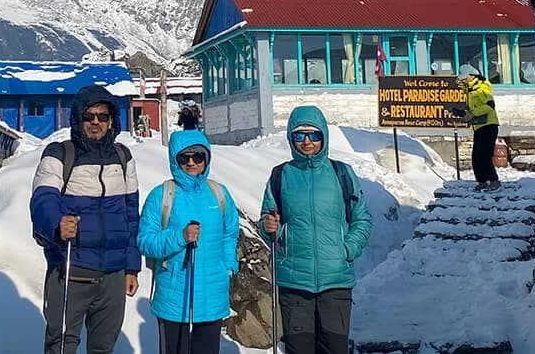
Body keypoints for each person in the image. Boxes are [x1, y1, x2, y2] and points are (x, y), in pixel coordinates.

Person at [30, 86, 141, 354]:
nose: (95, 122)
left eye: (103, 117)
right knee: (61, 347)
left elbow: (130, 216)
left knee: (103, 348)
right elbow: (42, 200)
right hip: (71, 271)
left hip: (112, 278)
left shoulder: (123, 158)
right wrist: (57, 224)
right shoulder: (60, 154)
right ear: (78, 119)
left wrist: (131, 267)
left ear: (112, 121)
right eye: (89, 116)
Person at [259, 106, 372, 354]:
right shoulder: (281, 175)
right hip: (294, 281)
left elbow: (362, 218)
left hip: (335, 281)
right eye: (299, 136)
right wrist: (269, 228)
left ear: (324, 136)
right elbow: (267, 220)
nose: (307, 141)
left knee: (334, 348)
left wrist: (347, 248)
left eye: (314, 135)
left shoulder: (341, 172)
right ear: (291, 138)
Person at [138, 129, 238, 354]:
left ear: (207, 158)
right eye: (184, 158)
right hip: (173, 297)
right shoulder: (162, 195)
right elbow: (145, 241)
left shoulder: (219, 194)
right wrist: (179, 237)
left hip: (212, 294)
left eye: (198, 157)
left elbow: (230, 233)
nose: (192, 163)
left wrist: (228, 267)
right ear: (175, 160)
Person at [451, 64, 501, 191]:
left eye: (464, 77)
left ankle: (494, 181)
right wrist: (461, 112)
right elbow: (473, 108)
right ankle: (482, 181)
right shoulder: (470, 90)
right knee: (476, 156)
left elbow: (490, 106)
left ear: (472, 76)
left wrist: (472, 113)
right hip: (478, 126)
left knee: (484, 154)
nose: (462, 80)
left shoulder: (481, 88)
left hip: (489, 125)